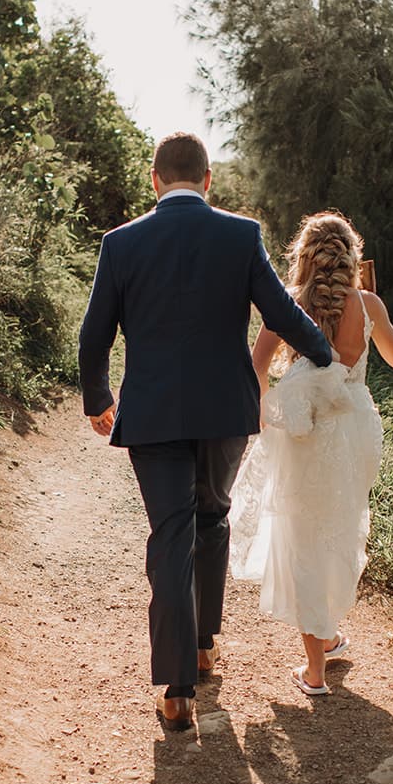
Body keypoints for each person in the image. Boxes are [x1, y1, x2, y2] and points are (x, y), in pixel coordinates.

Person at [78, 132, 333, 731]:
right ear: (209, 179)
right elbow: (281, 313)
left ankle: (176, 687)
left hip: (153, 414)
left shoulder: (121, 243)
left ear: (155, 179)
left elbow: (95, 334)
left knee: (171, 533)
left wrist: (98, 398)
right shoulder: (240, 235)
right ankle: (202, 642)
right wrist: (326, 356)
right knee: (212, 517)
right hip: (224, 413)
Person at [228, 212, 393, 696]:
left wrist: (267, 414)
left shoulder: (288, 305)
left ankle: (315, 669)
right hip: (352, 434)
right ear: (350, 257)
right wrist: (371, 310)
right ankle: (325, 637)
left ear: (304, 258)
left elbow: (255, 365)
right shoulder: (368, 304)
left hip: (306, 436)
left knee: (303, 538)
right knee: (337, 531)